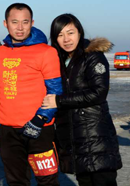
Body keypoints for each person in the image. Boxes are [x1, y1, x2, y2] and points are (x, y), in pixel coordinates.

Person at [42, 13, 122, 185]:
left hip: (96, 136)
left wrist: (59, 100)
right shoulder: (58, 60)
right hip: (74, 140)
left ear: (79, 32)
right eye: (60, 34)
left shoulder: (92, 56)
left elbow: (98, 92)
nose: (66, 39)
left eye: (70, 33)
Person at [0, 3, 62, 185]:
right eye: (14, 22)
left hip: (39, 129)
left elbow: (55, 91)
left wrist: (40, 119)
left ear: (32, 23)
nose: (20, 27)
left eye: (25, 22)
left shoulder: (46, 52)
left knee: (47, 180)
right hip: (9, 131)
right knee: (16, 181)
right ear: (5, 23)